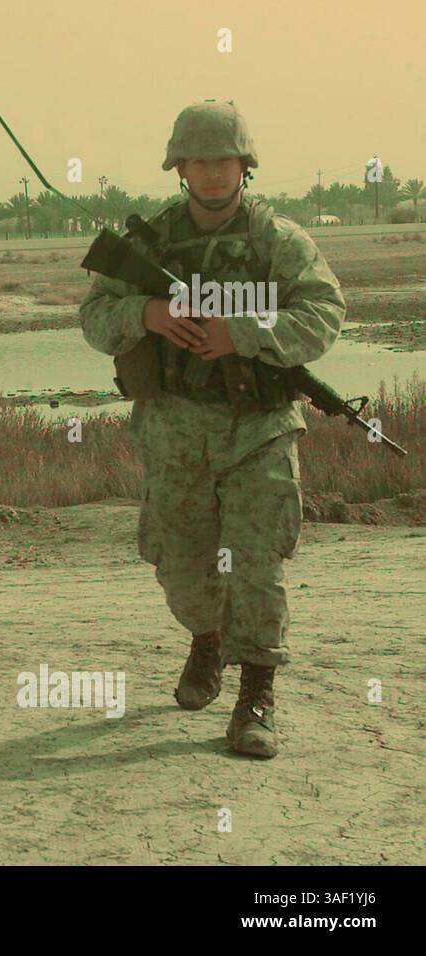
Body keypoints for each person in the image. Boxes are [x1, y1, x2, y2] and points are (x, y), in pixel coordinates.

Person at [79, 100, 345, 758]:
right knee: (181, 566)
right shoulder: (148, 243)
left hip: (258, 429)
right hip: (171, 428)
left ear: (244, 166)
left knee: (257, 564)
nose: (213, 172)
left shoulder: (278, 240)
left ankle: (256, 692)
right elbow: (94, 318)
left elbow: (325, 314)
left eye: (224, 160)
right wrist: (147, 312)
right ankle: (208, 641)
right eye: (199, 161)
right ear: (180, 168)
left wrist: (242, 331)